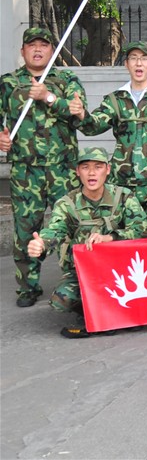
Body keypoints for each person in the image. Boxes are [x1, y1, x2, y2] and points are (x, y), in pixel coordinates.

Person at [1, 27, 86, 307]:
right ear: (23, 51)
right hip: (26, 171)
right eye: (32, 45)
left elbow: (78, 113)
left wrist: (48, 96)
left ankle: (77, 282)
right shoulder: (8, 83)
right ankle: (28, 287)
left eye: (43, 45)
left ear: (52, 50)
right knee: (26, 229)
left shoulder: (66, 80)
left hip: (63, 169)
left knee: (70, 226)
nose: (38, 50)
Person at [26, 147, 147, 337]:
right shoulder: (67, 203)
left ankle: (118, 310)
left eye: (98, 167)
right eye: (85, 167)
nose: (92, 173)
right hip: (83, 273)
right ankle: (90, 311)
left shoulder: (123, 196)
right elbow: (55, 230)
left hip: (122, 271)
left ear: (107, 170)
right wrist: (42, 243)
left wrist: (111, 237)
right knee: (61, 300)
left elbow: (142, 229)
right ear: (78, 171)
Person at [71, 41, 147, 236]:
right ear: (126, 64)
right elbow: (94, 126)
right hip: (122, 186)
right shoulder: (116, 99)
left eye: (144, 59)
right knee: (123, 238)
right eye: (133, 58)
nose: (139, 63)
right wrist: (81, 114)